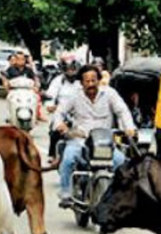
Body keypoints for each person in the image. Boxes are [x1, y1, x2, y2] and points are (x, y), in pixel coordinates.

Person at [53, 65, 137, 207]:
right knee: (67, 159)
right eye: (87, 81)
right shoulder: (74, 95)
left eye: (94, 80)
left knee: (123, 164)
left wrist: (129, 128)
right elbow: (59, 112)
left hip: (104, 142)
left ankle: (122, 196)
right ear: (81, 83)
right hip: (80, 140)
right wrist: (60, 124)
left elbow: (122, 111)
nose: (91, 84)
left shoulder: (110, 94)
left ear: (99, 80)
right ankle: (66, 192)